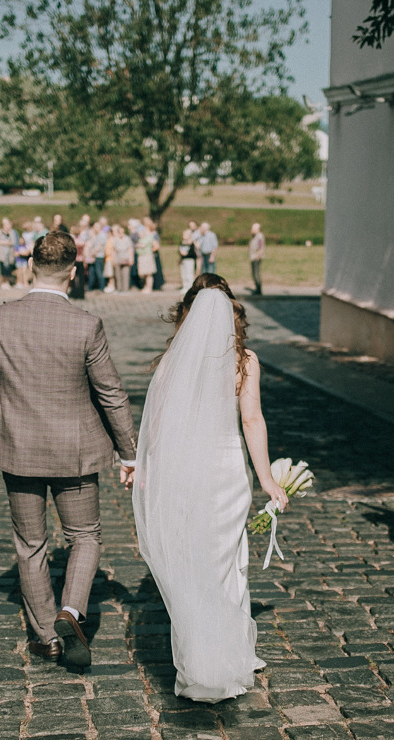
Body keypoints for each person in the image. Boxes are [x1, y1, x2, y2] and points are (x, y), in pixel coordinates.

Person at [0, 230, 138, 666]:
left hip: (19, 449)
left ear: (29, 267)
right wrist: (129, 452)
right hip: (75, 452)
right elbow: (111, 393)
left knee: (31, 543)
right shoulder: (85, 324)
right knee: (85, 536)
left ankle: (45, 637)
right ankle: (71, 610)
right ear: (74, 274)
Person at [133, 274, 289, 702]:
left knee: (194, 558)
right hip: (225, 472)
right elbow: (252, 421)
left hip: (185, 469)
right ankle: (232, 651)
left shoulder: (173, 361)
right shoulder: (244, 361)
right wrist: (267, 479)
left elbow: (158, 424)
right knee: (227, 563)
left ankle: (198, 658)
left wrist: (147, 469)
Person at [110, 224, 134, 293]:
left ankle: (125, 289)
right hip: (118, 258)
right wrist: (113, 259)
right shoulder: (115, 239)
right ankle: (119, 288)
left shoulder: (127, 239)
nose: (121, 234)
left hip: (125, 258)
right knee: (118, 275)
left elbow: (130, 249)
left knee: (125, 274)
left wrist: (131, 259)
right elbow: (113, 250)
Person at [136, 219, 158, 291]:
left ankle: (149, 287)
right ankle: (146, 286)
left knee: (148, 273)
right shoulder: (141, 239)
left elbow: (142, 245)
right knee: (144, 273)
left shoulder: (148, 237)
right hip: (142, 256)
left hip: (147, 256)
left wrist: (138, 245)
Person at [0, 218, 17, 286]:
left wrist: (3, 242)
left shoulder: (12, 232)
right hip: (2, 254)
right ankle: (3, 282)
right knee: (2, 268)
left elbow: (13, 242)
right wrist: (6, 242)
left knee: (9, 268)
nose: (7, 226)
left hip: (9, 254)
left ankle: (7, 282)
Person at [178, 222, 198, 291]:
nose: (184, 235)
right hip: (183, 260)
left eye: (186, 234)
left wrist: (186, 254)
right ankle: (185, 286)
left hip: (189, 260)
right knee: (183, 274)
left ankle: (190, 287)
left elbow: (192, 253)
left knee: (189, 274)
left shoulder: (191, 243)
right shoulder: (182, 243)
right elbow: (180, 251)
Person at [248, 222, 265, 295]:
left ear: (257, 229)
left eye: (252, 229)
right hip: (253, 257)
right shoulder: (255, 236)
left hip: (256, 258)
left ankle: (259, 290)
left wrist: (258, 256)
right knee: (254, 273)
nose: (251, 230)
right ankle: (257, 288)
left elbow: (260, 247)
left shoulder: (259, 237)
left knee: (256, 273)